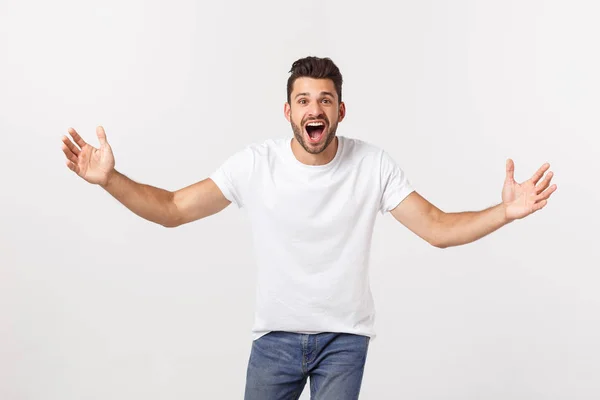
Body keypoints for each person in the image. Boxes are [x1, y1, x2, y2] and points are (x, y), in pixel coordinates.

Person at [60, 56, 557, 399]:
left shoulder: (373, 165)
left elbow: (437, 228)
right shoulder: (255, 165)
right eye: (303, 100)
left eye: (324, 100)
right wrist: (109, 180)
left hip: (344, 339)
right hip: (273, 338)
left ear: (339, 111)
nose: (314, 110)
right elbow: (171, 208)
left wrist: (504, 212)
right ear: (288, 112)